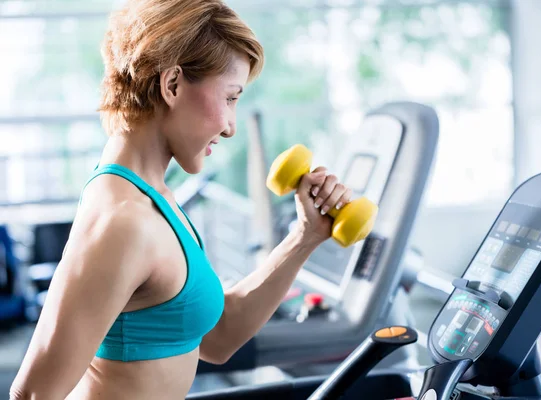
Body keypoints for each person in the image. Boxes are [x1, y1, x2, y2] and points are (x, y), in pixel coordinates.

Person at [9, 1, 352, 399]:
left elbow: (218, 339)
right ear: (172, 85)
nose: (230, 127)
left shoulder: (154, 199)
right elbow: (33, 394)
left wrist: (306, 236)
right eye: (229, 98)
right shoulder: (124, 222)